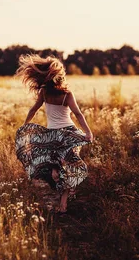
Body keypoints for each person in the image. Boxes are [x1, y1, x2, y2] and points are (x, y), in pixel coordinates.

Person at [15, 54, 93, 213]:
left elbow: (33, 109)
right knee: (72, 166)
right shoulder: (67, 94)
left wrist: (25, 126)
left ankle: (56, 174)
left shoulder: (44, 92)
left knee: (56, 165)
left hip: (51, 136)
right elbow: (78, 114)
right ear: (60, 76)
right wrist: (88, 132)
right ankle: (63, 201)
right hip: (68, 133)